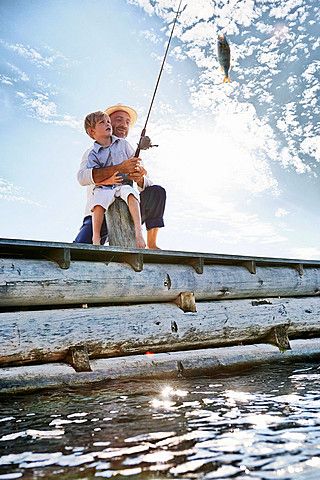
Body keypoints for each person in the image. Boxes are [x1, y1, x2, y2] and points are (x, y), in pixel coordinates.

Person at [74, 103, 166, 249]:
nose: (123, 125)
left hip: (129, 205)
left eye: (127, 122)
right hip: (102, 210)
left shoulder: (126, 146)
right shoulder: (92, 151)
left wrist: (139, 177)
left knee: (157, 191)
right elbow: (82, 177)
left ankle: (152, 244)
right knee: (80, 248)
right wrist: (119, 168)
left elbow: (147, 182)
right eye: (118, 120)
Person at [84, 110, 145, 248]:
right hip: (105, 189)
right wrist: (109, 179)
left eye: (108, 122)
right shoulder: (91, 153)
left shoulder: (124, 144)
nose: (108, 124)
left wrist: (139, 171)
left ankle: (139, 233)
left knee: (131, 193)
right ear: (92, 132)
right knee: (98, 201)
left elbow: (137, 163)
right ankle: (96, 238)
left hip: (121, 187)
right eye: (103, 122)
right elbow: (86, 177)